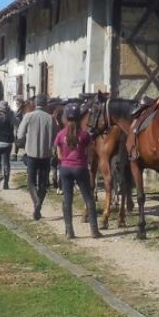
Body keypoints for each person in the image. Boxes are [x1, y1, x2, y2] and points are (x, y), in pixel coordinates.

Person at [55, 102, 101, 239]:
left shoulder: (60, 134)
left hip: (65, 168)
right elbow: (88, 152)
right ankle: (94, 230)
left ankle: (69, 231)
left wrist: (66, 162)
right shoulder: (85, 135)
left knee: (67, 199)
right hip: (80, 167)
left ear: (65, 118)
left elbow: (58, 155)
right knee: (88, 198)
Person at [15, 95, 55, 220]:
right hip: (46, 154)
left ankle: (36, 203)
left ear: (35, 104)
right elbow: (55, 137)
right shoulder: (50, 118)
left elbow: (20, 134)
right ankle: (39, 205)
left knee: (31, 181)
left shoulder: (28, 116)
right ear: (45, 105)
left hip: (31, 154)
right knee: (43, 183)